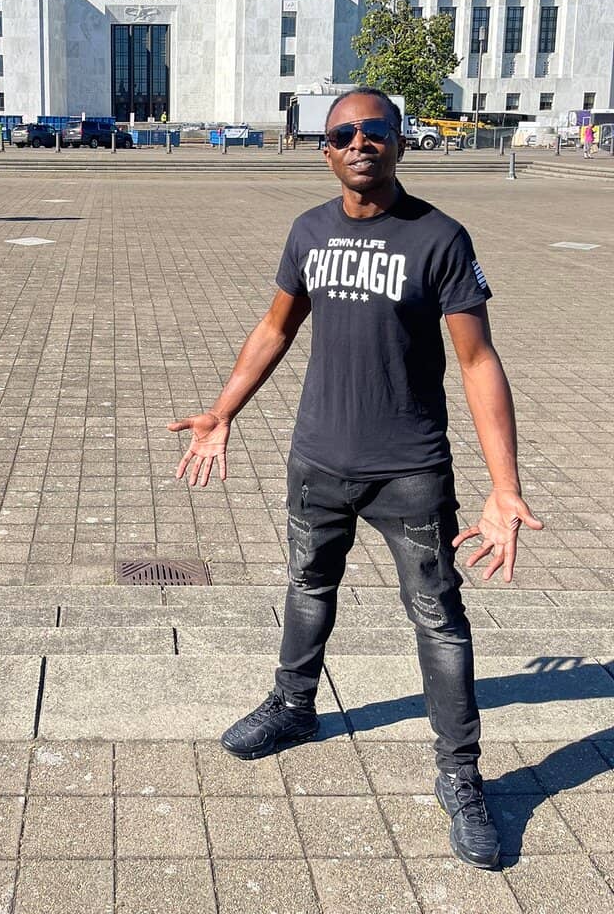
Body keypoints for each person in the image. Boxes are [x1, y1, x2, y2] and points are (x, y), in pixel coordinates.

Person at [168, 86, 542, 870]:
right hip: (318, 462)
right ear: (326, 149)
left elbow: (478, 360)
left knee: (438, 619)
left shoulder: (439, 237)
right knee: (308, 587)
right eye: (344, 133)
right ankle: (294, 705)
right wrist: (222, 410)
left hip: (409, 471)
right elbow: (275, 326)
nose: (360, 142)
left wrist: (504, 485)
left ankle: (461, 776)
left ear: (401, 144)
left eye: (376, 131)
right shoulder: (309, 231)